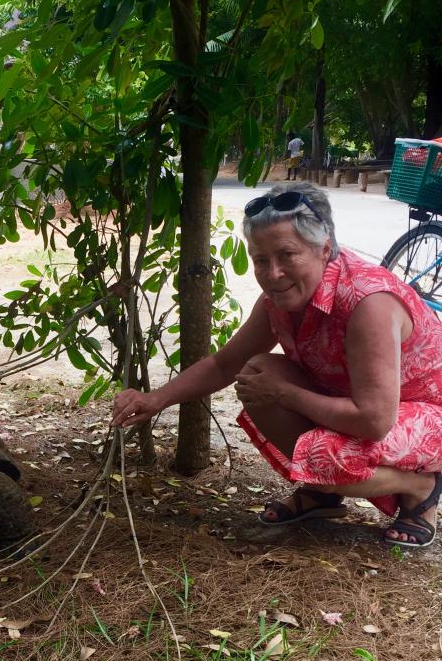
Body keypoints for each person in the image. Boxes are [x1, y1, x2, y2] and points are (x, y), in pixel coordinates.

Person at [112, 182, 442, 549]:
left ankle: (421, 485)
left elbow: (375, 420)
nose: (273, 273)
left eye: (288, 255)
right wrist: (155, 399)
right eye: (260, 260)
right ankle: (323, 494)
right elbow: (225, 365)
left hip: (423, 413)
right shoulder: (278, 300)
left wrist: (288, 394)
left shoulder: (368, 302)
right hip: (354, 403)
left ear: (325, 250)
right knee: (256, 373)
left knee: (320, 454)